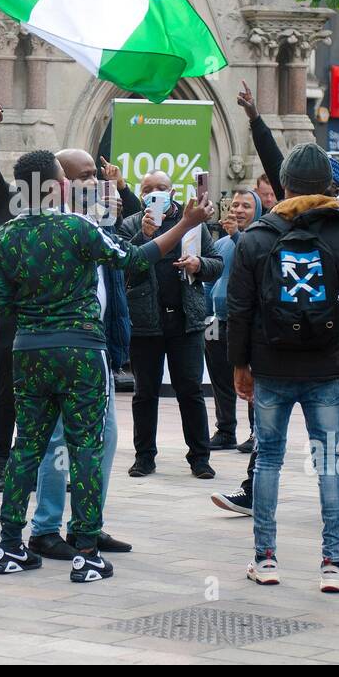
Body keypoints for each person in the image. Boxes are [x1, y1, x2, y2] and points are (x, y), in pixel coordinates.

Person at [0, 150, 208, 582]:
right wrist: (185, 224)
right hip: (81, 350)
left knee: (26, 447)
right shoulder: (78, 228)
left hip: (29, 351)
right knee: (86, 446)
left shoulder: (6, 236)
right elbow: (134, 259)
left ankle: (9, 544)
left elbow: (0, 307)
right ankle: (86, 549)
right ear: (56, 186)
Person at [229, 143, 339, 594]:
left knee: (267, 458)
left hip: (270, 366)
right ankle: (331, 564)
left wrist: (239, 363)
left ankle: (266, 559)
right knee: (329, 461)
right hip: (325, 370)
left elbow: (239, 308)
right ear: (328, 186)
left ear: (284, 185)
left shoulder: (257, 237)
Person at [28, 149, 135, 560]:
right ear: (63, 184)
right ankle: (44, 529)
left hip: (97, 350)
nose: (96, 183)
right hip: (58, 351)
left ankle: (88, 524)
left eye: (96, 175)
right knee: (56, 439)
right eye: (86, 176)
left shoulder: (97, 223)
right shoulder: (44, 226)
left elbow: (130, 255)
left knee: (104, 437)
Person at [119, 170, 223, 479]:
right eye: (148, 189)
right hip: (145, 323)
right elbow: (123, 265)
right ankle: (144, 457)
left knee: (189, 389)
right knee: (145, 392)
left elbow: (217, 263)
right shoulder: (130, 224)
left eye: (161, 188)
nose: (155, 193)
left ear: (173, 191)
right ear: (141, 195)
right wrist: (144, 237)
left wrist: (198, 264)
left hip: (185, 320)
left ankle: (200, 457)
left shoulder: (192, 224)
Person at [206, 189, 262, 451]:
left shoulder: (258, 240)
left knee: (251, 377)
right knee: (219, 377)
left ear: (257, 212)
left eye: (246, 206)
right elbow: (211, 279)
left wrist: (236, 235)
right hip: (217, 321)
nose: (238, 210)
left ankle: (256, 432)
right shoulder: (220, 244)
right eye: (235, 205)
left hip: (247, 323)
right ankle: (225, 429)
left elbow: (253, 260)